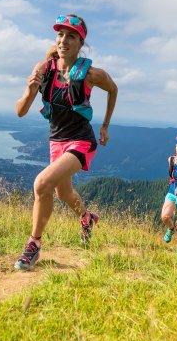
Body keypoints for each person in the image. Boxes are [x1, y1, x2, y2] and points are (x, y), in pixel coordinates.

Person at [14, 14, 118, 270]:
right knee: (62, 192)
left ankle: (34, 244)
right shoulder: (43, 68)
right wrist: (30, 90)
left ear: (80, 42)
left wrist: (105, 125)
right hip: (56, 141)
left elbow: (113, 89)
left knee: (42, 184)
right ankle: (87, 218)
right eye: (60, 34)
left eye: (71, 35)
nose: (64, 40)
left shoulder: (91, 74)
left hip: (81, 141)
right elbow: (20, 111)